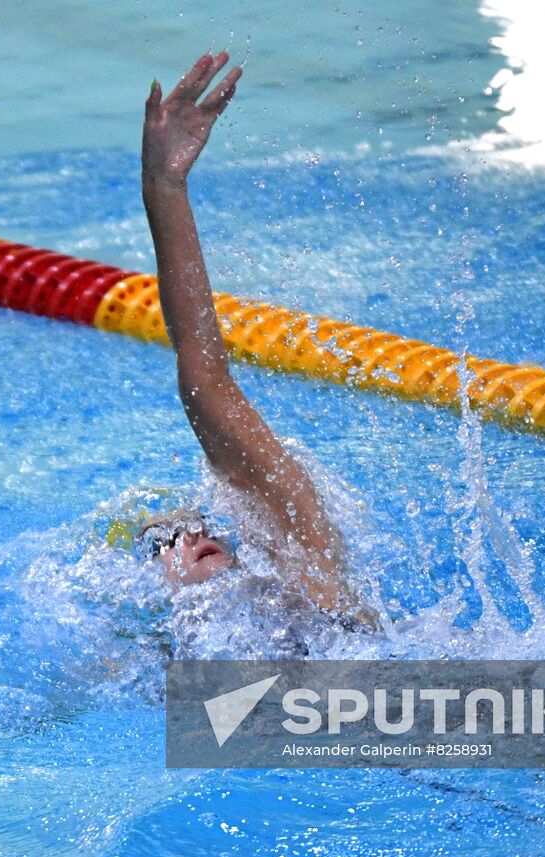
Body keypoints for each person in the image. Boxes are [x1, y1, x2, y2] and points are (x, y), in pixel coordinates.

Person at [138, 52, 380, 634]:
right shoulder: (158, 668)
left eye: (202, 525)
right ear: (150, 593)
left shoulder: (305, 584)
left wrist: (164, 188)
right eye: (165, 541)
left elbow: (206, 382)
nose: (194, 533)